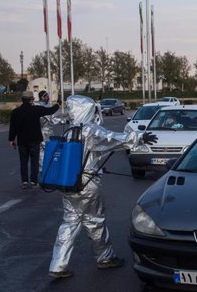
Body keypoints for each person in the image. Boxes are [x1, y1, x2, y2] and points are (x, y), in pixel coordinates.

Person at [48, 95, 157, 279]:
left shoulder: (69, 131)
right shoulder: (90, 130)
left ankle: (57, 265)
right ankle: (105, 257)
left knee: (69, 223)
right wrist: (140, 137)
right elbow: (114, 139)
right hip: (86, 185)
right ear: (89, 110)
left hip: (67, 184)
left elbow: (81, 157)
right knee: (94, 221)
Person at [8, 91, 60, 189]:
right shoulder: (36, 110)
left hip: (22, 141)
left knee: (23, 161)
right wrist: (58, 104)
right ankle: (33, 181)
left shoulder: (16, 112)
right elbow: (50, 111)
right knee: (34, 161)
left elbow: (13, 127)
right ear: (32, 100)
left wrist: (11, 139)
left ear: (22, 100)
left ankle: (24, 181)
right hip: (34, 140)